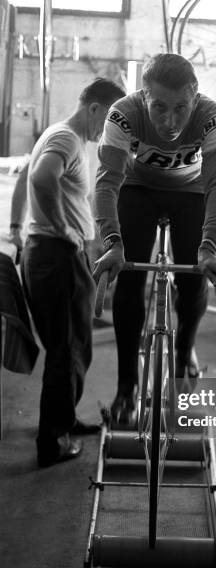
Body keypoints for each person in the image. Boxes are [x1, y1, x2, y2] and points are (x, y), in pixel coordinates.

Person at [92, 53, 216, 420]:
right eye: (159, 108)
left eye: (181, 108)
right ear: (143, 96)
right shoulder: (123, 112)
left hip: (191, 193)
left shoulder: (212, 115)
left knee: (193, 282)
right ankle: (127, 386)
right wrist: (112, 243)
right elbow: (107, 183)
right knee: (129, 279)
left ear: (195, 95)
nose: (171, 122)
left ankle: (183, 357)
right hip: (138, 189)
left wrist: (209, 248)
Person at [16, 78, 125, 467]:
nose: (108, 129)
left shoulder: (60, 135)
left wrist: (17, 227)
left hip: (50, 254)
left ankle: (64, 420)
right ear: (94, 108)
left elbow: (25, 172)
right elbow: (40, 177)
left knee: (74, 346)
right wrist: (63, 229)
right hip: (56, 256)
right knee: (68, 351)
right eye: (109, 118)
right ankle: (53, 442)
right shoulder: (66, 138)